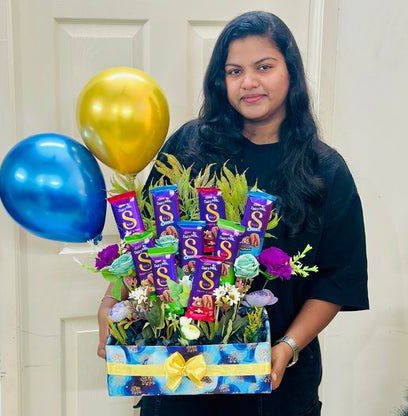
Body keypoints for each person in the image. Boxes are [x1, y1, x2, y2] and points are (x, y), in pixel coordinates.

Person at [97, 10, 369, 416]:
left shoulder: (324, 170)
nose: (249, 82)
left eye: (264, 67)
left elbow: (337, 279)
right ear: (220, 80)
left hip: (276, 381)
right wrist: (110, 302)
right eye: (234, 70)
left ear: (290, 72)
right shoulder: (190, 146)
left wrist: (288, 347)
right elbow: (145, 240)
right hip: (181, 374)